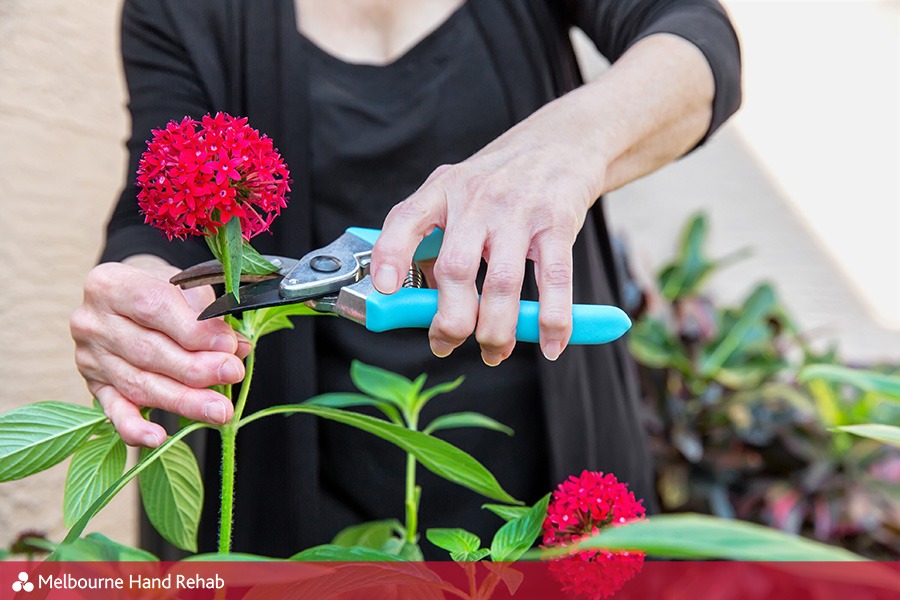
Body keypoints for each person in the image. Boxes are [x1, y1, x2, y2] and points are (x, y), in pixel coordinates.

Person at [71, 0, 741, 558]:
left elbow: (698, 43)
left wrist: (569, 147)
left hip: (542, 482)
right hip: (289, 509)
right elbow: (151, 210)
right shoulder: (175, 10)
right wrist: (143, 300)